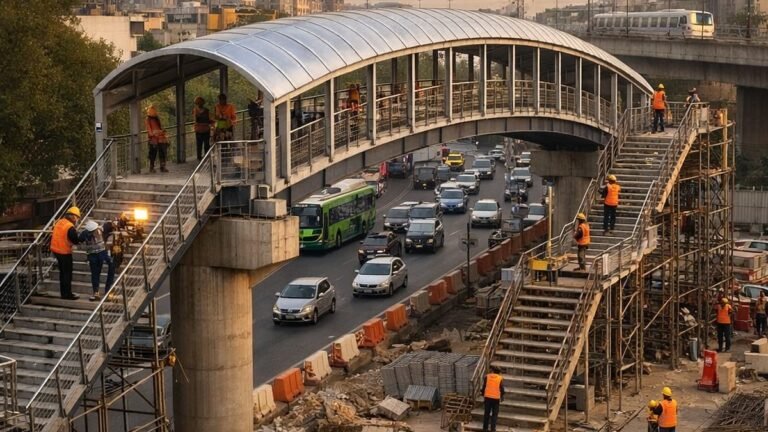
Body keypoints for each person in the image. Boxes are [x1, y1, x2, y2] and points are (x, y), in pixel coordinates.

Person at [79, 220, 115, 301]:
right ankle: (96, 292)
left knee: (111, 266)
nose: (92, 233)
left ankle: (108, 291)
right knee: (95, 273)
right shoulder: (84, 233)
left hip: (102, 253)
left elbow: (109, 225)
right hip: (92, 255)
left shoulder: (101, 229)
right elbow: (79, 240)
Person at [51, 207, 82, 300]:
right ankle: (67, 294)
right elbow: (75, 240)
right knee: (67, 274)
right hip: (64, 251)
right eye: (77, 218)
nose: (77, 220)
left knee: (62, 273)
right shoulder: (70, 227)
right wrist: (80, 238)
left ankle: (63, 293)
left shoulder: (60, 222)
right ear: (73, 216)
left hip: (55, 250)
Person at [145, 105, 169, 173]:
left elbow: (159, 129)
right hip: (153, 140)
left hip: (161, 139)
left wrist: (161, 132)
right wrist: (159, 132)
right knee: (153, 154)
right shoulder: (148, 119)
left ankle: (163, 166)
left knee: (163, 153)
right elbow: (150, 132)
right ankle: (151, 167)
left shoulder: (157, 119)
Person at [481, 366, 505, 432]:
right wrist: (502, 396)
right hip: (496, 399)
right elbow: (502, 389)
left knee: (486, 413)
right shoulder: (500, 378)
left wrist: (483, 394)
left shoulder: (487, 376)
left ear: (493, 371)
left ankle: (485, 429)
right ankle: (493, 429)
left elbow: (484, 386)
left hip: (487, 398)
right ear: (499, 372)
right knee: (494, 415)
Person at [192, 96, 213, 161]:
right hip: (201, 129)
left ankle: (205, 156)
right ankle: (200, 157)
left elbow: (210, 119)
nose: (200, 104)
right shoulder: (196, 110)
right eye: (198, 103)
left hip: (204, 129)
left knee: (205, 144)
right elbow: (195, 120)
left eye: (200, 102)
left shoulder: (206, 110)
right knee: (200, 144)